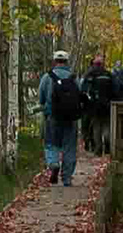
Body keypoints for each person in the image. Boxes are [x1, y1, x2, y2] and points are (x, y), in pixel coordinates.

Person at [37, 48, 91, 185]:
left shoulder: (47, 77)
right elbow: (80, 96)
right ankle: (67, 178)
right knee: (69, 148)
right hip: (71, 119)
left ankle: (54, 163)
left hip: (52, 117)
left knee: (51, 144)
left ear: (55, 61)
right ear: (67, 61)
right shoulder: (73, 78)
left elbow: (41, 98)